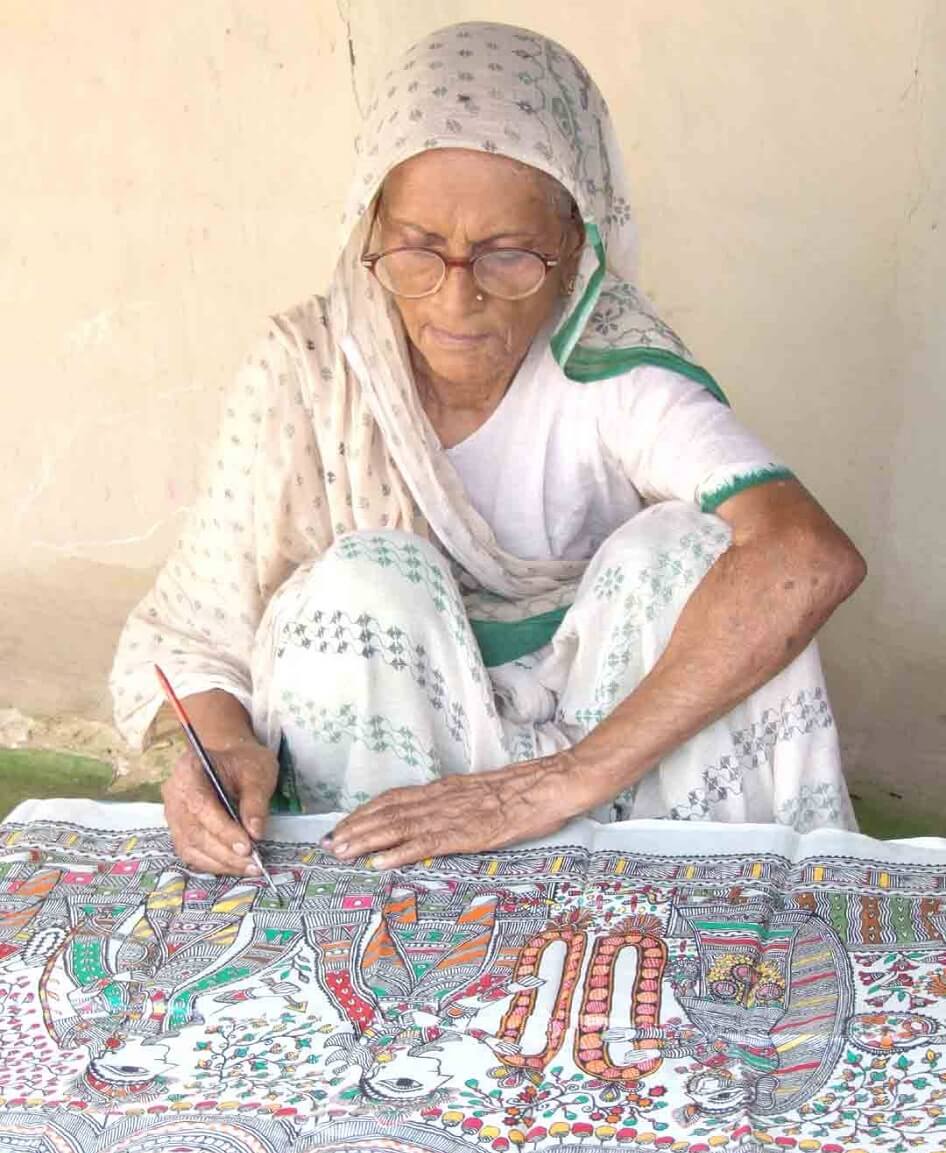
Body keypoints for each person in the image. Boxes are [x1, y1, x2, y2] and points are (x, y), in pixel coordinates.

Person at [110, 21, 866, 876]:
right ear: (370, 235)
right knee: (360, 586)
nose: (458, 297)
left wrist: (551, 785)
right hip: (393, 788)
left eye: (507, 255)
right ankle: (371, 935)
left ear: (574, 243)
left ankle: (685, 927)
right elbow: (201, 627)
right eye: (419, 250)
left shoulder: (608, 357)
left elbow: (806, 556)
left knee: (694, 557)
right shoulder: (309, 368)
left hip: (603, 770)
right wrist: (219, 746)